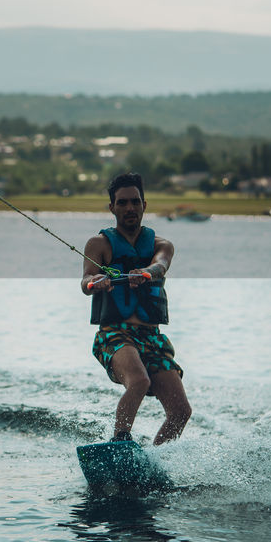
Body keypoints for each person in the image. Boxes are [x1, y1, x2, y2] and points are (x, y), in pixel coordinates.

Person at [81, 172, 191, 445]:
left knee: (181, 411)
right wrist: (96, 282)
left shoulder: (161, 245)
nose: (129, 208)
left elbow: (161, 264)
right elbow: (86, 280)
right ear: (112, 208)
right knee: (139, 381)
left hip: (151, 339)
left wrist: (146, 272)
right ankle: (120, 443)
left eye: (134, 202)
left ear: (144, 205)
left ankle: (154, 459)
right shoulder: (99, 245)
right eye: (122, 203)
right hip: (114, 335)